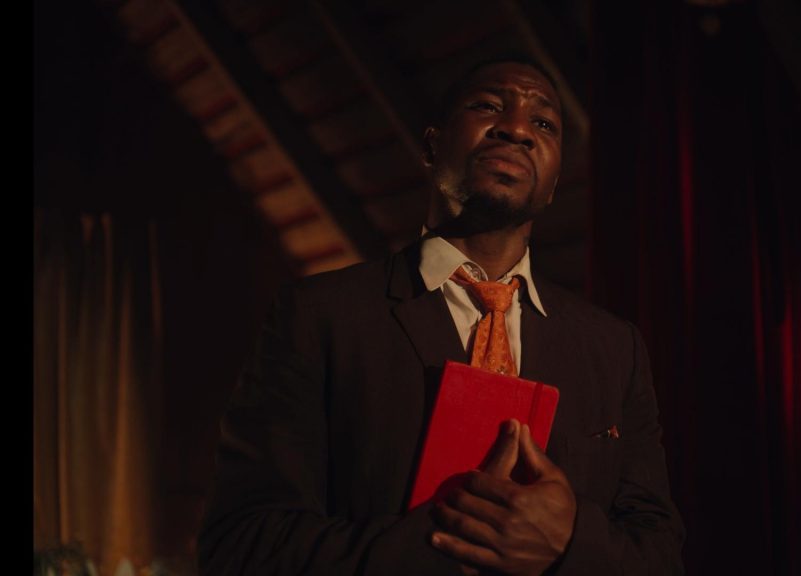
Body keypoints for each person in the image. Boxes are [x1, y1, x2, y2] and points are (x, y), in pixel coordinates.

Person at [197, 56, 685, 575]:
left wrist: (567, 545)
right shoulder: (320, 317)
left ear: (553, 180)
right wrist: (450, 545)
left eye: (543, 123)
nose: (518, 128)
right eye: (488, 106)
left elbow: (659, 555)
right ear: (432, 146)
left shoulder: (615, 349)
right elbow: (243, 546)